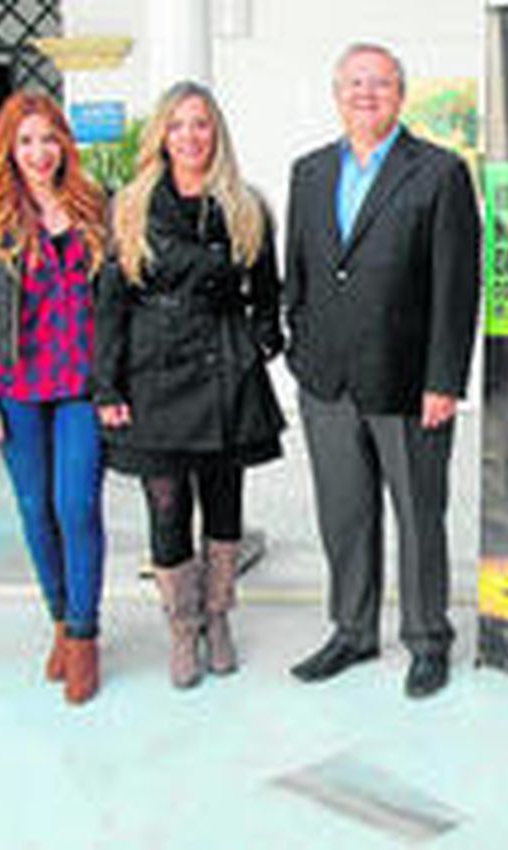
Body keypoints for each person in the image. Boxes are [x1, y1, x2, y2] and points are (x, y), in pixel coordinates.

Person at [283, 42, 480, 699]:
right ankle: (352, 631)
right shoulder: (309, 172)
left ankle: (428, 639)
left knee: (420, 517)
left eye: (381, 83)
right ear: (336, 92)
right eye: (354, 83)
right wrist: (302, 350)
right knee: (344, 513)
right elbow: (301, 273)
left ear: (401, 93)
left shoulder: (439, 172)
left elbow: (458, 286)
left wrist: (445, 380)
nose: (366, 93)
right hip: (327, 383)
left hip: (408, 383)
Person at [96, 82, 285, 690]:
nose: (190, 136)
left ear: (216, 132)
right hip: (154, 369)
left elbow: (268, 288)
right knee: (168, 503)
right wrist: (108, 385)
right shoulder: (129, 205)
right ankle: (181, 626)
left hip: (225, 366)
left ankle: (219, 616)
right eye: (177, 125)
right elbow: (111, 304)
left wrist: (262, 336)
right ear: (161, 135)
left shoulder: (244, 204)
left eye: (200, 124)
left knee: (224, 501)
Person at [0, 91, 109, 705]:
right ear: (9, 149)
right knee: (34, 510)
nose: (39, 153)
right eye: (26, 141)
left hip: (82, 386)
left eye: (49, 139)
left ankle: (85, 639)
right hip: (18, 386)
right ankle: (61, 623)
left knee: (76, 506)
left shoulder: (96, 206)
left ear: (64, 144)